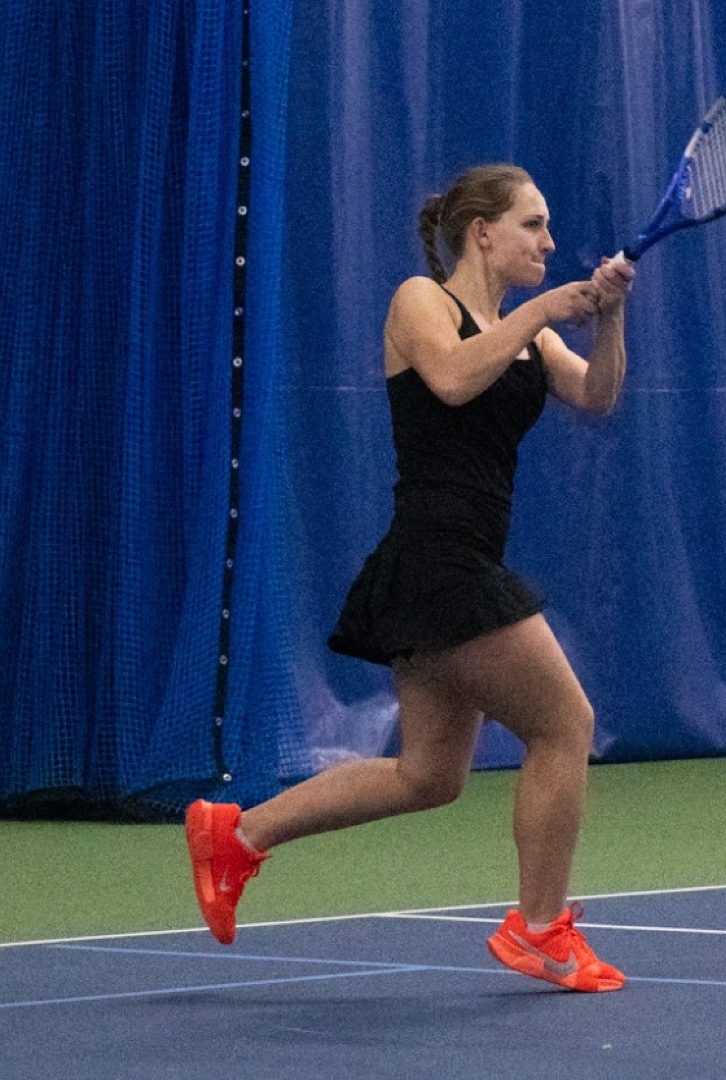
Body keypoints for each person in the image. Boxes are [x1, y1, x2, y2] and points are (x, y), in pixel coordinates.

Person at [184, 164, 634, 992]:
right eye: (533, 225)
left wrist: (608, 319)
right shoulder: (420, 302)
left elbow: (596, 396)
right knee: (566, 723)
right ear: (482, 232)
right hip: (438, 558)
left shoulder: (530, 334)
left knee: (427, 776)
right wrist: (545, 306)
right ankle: (540, 929)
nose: (550, 242)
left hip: (456, 564)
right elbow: (455, 379)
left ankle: (235, 836)